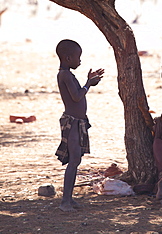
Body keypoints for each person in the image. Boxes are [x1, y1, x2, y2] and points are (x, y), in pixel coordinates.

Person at [55, 39, 104, 212]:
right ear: (68, 58)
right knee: (74, 160)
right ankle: (65, 202)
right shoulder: (65, 75)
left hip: (78, 122)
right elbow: (76, 96)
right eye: (78, 57)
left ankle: (68, 199)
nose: (80, 61)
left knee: (76, 159)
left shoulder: (67, 74)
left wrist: (88, 81)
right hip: (72, 122)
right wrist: (88, 84)